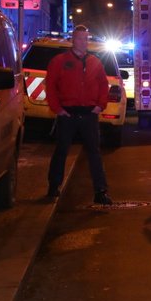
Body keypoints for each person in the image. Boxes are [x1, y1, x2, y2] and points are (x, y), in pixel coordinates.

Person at [46, 25, 112, 204]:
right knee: (61, 151)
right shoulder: (59, 61)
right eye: (81, 38)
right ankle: (53, 187)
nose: (84, 42)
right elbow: (50, 86)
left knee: (94, 153)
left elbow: (103, 85)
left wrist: (100, 105)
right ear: (73, 40)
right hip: (68, 114)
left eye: (86, 38)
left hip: (89, 114)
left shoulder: (95, 62)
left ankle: (100, 191)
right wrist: (58, 109)